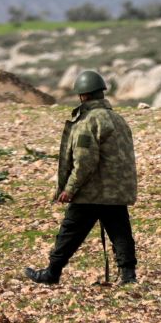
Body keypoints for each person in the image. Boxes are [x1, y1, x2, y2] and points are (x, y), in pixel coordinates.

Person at [25, 70, 138, 285]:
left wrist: (70, 188)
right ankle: (128, 275)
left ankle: (52, 272)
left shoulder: (88, 122)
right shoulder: (118, 119)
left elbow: (84, 161)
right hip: (117, 190)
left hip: (92, 191)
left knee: (70, 232)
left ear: (83, 96)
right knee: (120, 231)